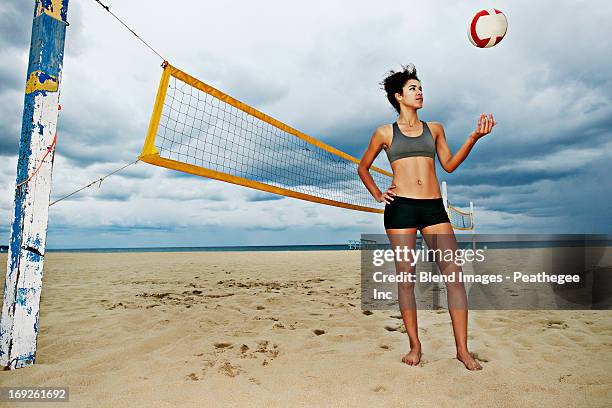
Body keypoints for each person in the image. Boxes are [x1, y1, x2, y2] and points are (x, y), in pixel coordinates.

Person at [357, 64, 495, 371]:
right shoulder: (384, 133)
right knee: (407, 280)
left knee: (454, 276)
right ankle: (415, 346)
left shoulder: (435, 128)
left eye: (421, 88)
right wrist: (379, 194)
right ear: (398, 96)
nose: (420, 92)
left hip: (433, 208)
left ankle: (462, 350)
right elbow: (362, 167)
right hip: (401, 209)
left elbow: (449, 164)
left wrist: (473, 137)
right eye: (413, 89)